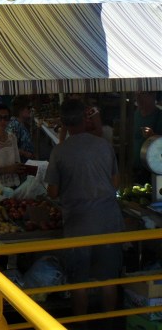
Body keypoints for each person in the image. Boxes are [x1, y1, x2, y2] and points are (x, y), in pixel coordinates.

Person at [45, 98, 124, 320]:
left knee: (79, 282)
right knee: (109, 280)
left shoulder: (60, 152)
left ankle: (81, 325)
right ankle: (109, 324)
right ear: (85, 119)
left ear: (63, 122)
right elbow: (115, 182)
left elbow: (52, 192)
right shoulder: (104, 145)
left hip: (78, 225)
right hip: (108, 221)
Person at [132, 91, 162, 183]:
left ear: (153, 96)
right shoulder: (135, 114)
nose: (139, 98)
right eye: (137, 94)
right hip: (134, 169)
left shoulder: (159, 115)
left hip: (152, 170)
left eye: (143, 94)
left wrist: (152, 136)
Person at [7, 96, 35, 162]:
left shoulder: (21, 123)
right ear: (20, 109)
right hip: (19, 165)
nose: (31, 109)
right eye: (29, 107)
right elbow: (9, 147)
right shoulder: (14, 125)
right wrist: (26, 154)